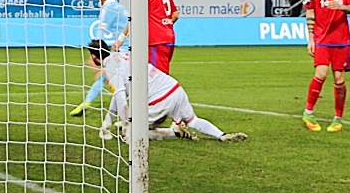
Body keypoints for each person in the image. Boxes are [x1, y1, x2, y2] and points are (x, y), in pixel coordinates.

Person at [88, 41, 247, 143]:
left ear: (94, 56)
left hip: (160, 98)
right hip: (174, 88)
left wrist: (125, 124)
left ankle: (173, 133)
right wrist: (108, 120)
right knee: (192, 120)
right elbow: (119, 97)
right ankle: (221, 135)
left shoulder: (111, 68)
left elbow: (121, 99)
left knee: (133, 136)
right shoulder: (122, 56)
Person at [302, 0, 350, 133]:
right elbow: (310, 12)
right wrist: (310, 38)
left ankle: (337, 119)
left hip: (342, 40)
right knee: (321, 73)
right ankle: (308, 112)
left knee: (339, 79)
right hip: (322, 39)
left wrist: (341, 6)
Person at [70, 0, 129, 117]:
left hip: (120, 49)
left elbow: (101, 31)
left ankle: (86, 104)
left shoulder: (107, 8)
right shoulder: (121, 7)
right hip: (131, 47)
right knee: (111, 78)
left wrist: (95, 54)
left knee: (108, 77)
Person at [113, 0, 178, 74]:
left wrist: (120, 39)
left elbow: (135, 16)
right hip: (168, 36)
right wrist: (163, 23)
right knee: (156, 76)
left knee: (156, 79)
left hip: (155, 39)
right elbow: (175, 14)